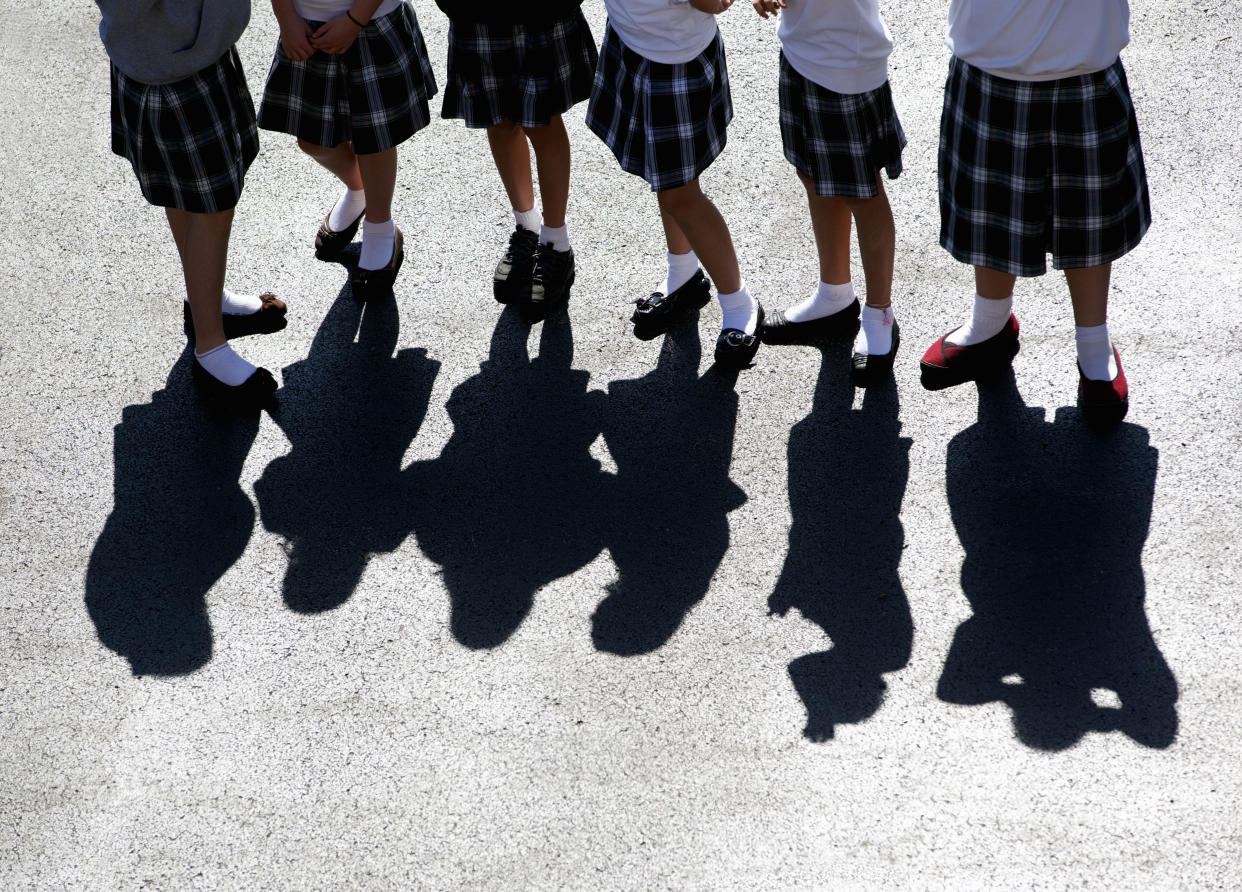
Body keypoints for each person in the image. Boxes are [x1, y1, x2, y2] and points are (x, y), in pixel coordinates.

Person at [919, 0, 1149, 428]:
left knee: (1087, 220)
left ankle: (1094, 348)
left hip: (1083, 60)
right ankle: (990, 324)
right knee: (990, 211)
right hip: (989, 55)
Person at [98, 0, 284, 410]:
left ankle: (207, 301)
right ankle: (210, 347)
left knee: (187, 194)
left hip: (192, 52)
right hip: (167, 62)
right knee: (210, 206)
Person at [587, 0, 764, 369]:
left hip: (673, 58)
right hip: (633, 40)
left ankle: (739, 302)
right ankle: (683, 273)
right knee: (667, 179)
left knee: (679, 193)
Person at [752, 0, 906, 387]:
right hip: (800, 52)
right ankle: (835, 295)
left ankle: (879, 314)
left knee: (863, 194)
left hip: (846, 62)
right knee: (813, 176)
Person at [259, 0, 437, 300]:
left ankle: (380, 227)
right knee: (312, 140)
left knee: (374, 138)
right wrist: (286, 17)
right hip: (307, 26)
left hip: (370, 20)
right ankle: (359, 191)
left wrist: (355, 20)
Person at [435, 0, 599, 323]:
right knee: (498, 121)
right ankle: (527, 227)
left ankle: (556, 244)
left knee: (542, 121)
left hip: (539, 11)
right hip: (476, 13)